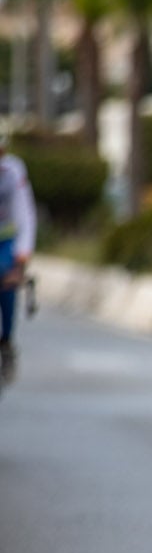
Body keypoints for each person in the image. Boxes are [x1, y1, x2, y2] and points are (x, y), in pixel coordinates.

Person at [0, 128, 35, 385]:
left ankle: (7, 341)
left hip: (5, 241)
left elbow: (25, 215)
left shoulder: (13, 172)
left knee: (7, 280)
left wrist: (21, 260)